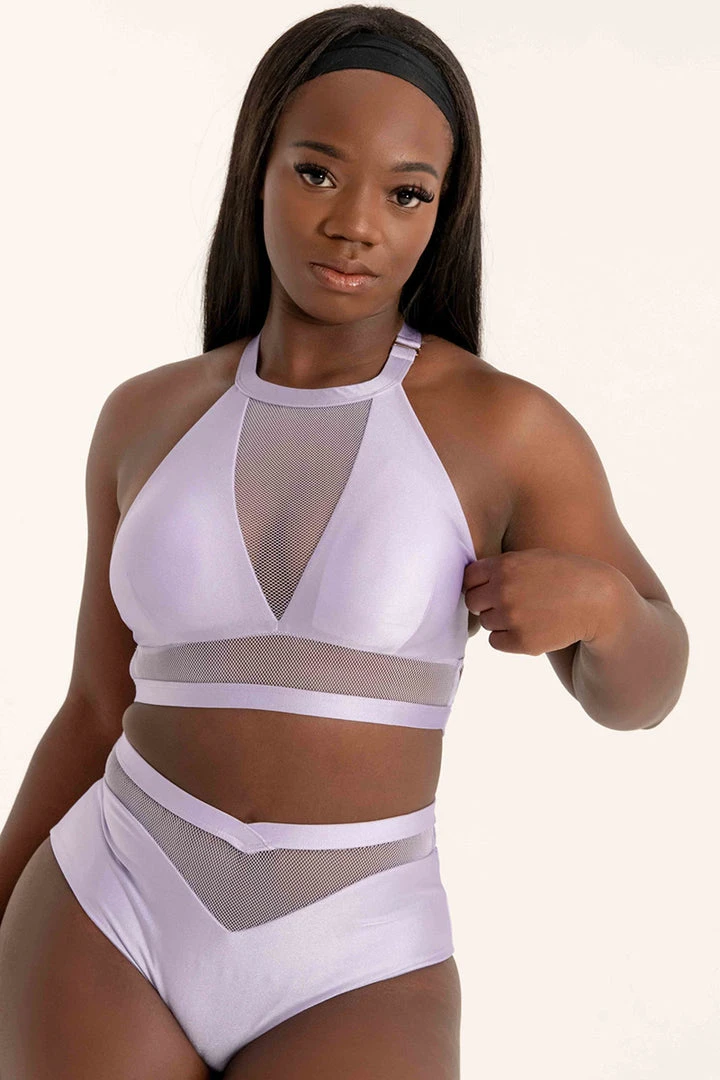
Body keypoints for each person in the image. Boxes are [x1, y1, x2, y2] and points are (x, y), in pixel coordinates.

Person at [0, 6, 689, 1079]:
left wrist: (602, 610)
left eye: (406, 193)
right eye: (318, 173)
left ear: (443, 212)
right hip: (107, 904)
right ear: (259, 169)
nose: (356, 224)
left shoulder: (506, 429)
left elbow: (644, 693)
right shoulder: (144, 417)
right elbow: (94, 707)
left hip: (357, 951)